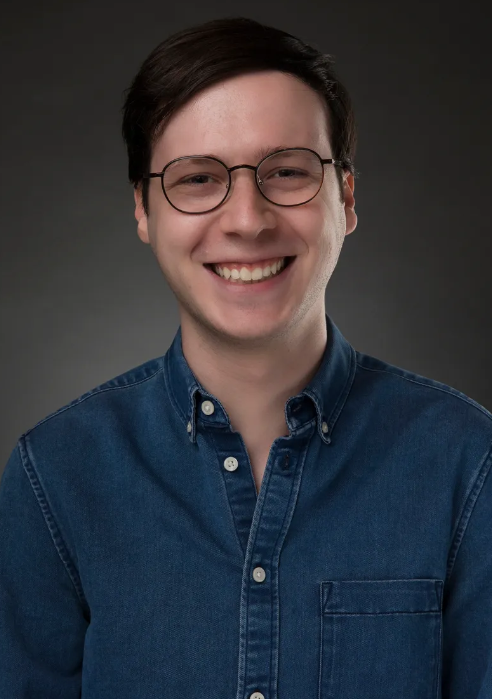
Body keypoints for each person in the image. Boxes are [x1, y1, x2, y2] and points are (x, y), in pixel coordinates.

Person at [0, 15, 491, 699]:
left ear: (345, 196)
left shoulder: (469, 463)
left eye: (287, 171)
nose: (247, 219)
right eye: (198, 179)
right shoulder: (52, 477)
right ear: (143, 210)